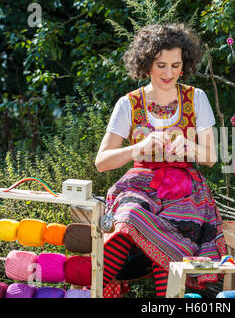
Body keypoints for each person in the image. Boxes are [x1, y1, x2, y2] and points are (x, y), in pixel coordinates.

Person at [95, 23, 227, 298]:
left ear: (184, 65)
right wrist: (138, 148)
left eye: (175, 65)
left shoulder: (196, 98)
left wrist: (189, 147)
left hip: (187, 190)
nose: (169, 73)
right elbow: (102, 162)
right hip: (140, 185)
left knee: (175, 229)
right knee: (129, 215)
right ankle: (96, 290)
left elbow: (211, 158)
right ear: (146, 65)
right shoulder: (129, 103)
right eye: (161, 65)